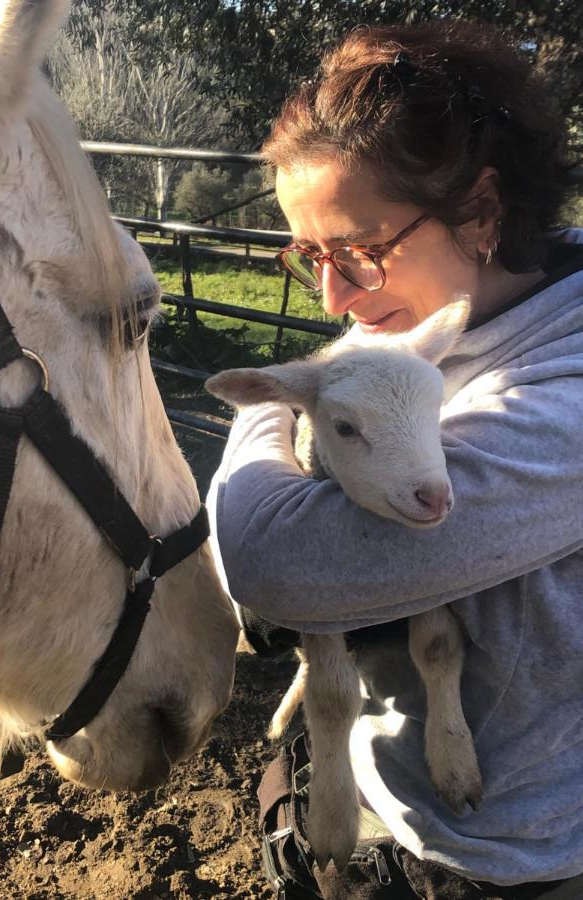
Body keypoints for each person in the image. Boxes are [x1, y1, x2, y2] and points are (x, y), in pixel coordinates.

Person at [206, 20, 583, 899]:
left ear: (482, 211)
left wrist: (301, 392)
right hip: (378, 798)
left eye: (362, 252)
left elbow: (272, 560)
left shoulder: (560, 387)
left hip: (511, 855)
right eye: (312, 258)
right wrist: (306, 388)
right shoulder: (398, 338)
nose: (334, 297)